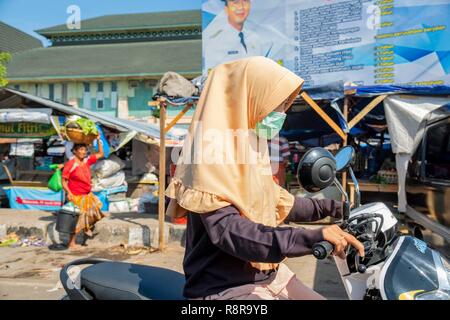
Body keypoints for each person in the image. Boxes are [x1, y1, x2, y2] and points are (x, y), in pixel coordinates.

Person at [165, 57, 364, 300]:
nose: (281, 114)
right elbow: (233, 232)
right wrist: (312, 237)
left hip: (269, 275)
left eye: (284, 106)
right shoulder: (209, 162)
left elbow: (278, 201)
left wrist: (337, 208)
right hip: (224, 288)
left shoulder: (249, 150)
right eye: (277, 106)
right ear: (246, 102)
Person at [203, 0, 273, 72]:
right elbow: (212, 76)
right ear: (226, 9)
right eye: (236, 2)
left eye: (245, 1)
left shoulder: (254, 38)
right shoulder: (215, 41)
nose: (241, 7)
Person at [61, 137, 105, 250]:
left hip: (87, 195)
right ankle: (71, 243)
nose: (83, 152)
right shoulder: (70, 164)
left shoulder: (87, 161)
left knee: (96, 209)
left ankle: (87, 227)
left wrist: (99, 141)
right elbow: (63, 181)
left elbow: (100, 154)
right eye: (80, 149)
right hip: (76, 196)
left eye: (84, 150)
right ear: (75, 151)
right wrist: (69, 193)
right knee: (76, 221)